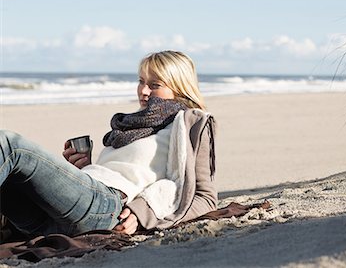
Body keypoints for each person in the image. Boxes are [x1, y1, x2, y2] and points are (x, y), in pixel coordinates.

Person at [0, 51, 217, 238]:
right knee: (11, 174)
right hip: (59, 218)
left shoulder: (190, 122)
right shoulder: (131, 126)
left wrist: (142, 213)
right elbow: (122, 171)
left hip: (107, 208)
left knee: (11, 146)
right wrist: (85, 167)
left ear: (179, 87)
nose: (143, 91)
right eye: (141, 81)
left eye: (155, 85)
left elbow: (206, 199)